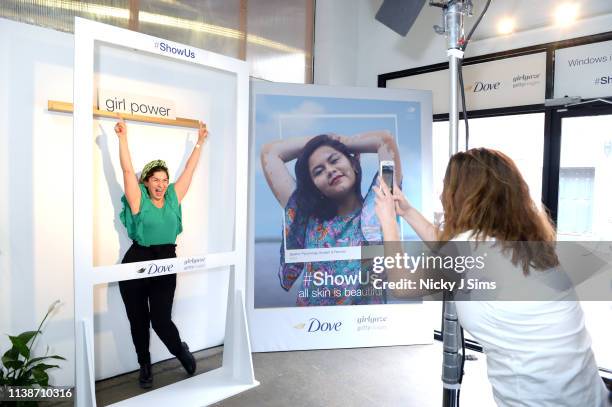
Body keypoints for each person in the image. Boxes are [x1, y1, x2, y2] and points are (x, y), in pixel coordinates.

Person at [374, 147, 609, 406]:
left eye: (446, 187)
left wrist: (388, 222)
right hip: (591, 397)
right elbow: (451, 248)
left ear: (461, 196)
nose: (442, 195)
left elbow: (401, 285)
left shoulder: (468, 249)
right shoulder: (529, 242)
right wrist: (406, 211)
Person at [114, 117, 208, 389]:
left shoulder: (172, 199)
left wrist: (199, 142)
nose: (161, 184)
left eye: (164, 180)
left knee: (161, 319)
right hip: (136, 262)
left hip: (165, 262)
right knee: (138, 320)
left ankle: (180, 350)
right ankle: (144, 364)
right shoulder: (138, 198)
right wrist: (122, 138)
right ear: (147, 181)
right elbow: (127, 172)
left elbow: (189, 171)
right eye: (155, 180)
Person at [260, 131, 401, 306]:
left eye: (334, 160)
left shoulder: (380, 208)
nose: (330, 170)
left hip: (366, 327)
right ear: (315, 186)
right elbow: (270, 153)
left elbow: (384, 141)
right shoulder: (307, 217)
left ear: (354, 164)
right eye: (319, 171)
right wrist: (320, 141)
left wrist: (341, 141)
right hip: (312, 328)